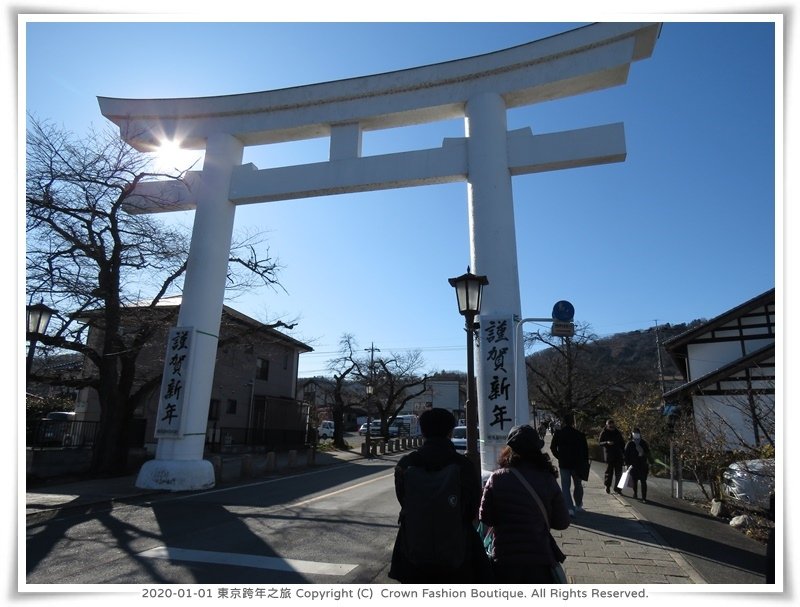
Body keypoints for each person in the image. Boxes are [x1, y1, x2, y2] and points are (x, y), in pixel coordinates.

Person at [388, 408, 492, 583]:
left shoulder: (406, 464)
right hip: (457, 550)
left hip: (412, 549)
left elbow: (403, 499)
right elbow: (472, 508)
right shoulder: (463, 465)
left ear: (422, 431)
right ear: (450, 431)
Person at [479, 424, 571, 583]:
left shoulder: (497, 478)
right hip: (539, 560)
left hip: (504, 559)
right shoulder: (547, 479)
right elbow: (562, 522)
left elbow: (485, 517)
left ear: (510, 449)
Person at [549, 413, 590, 516]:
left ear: (563, 422)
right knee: (578, 484)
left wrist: (559, 456)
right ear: (573, 422)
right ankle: (578, 504)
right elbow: (585, 452)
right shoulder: (579, 434)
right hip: (577, 464)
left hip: (564, 463)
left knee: (565, 486)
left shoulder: (559, 434)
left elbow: (553, 448)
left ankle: (569, 508)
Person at [598, 419, 626, 494]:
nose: (612, 428)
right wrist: (606, 443)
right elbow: (600, 442)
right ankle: (607, 486)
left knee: (619, 473)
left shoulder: (617, 432)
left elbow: (622, 443)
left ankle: (618, 489)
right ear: (607, 425)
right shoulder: (604, 432)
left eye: (613, 426)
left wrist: (624, 454)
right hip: (609, 455)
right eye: (610, 426)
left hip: (618, 455)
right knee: (609, 472)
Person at [623, 427, 651, 502]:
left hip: (643, 465)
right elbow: (626, 454)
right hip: (633, 465)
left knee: (643, 481)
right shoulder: (630, 443)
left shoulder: (643, 443)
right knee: (635, 481)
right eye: (634, 432)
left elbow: (648, 453)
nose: (636, 434)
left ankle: (644, 497)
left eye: (637, 432)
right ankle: (635, 493)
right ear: (632, 434)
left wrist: (644, 456)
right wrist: (626, 464)